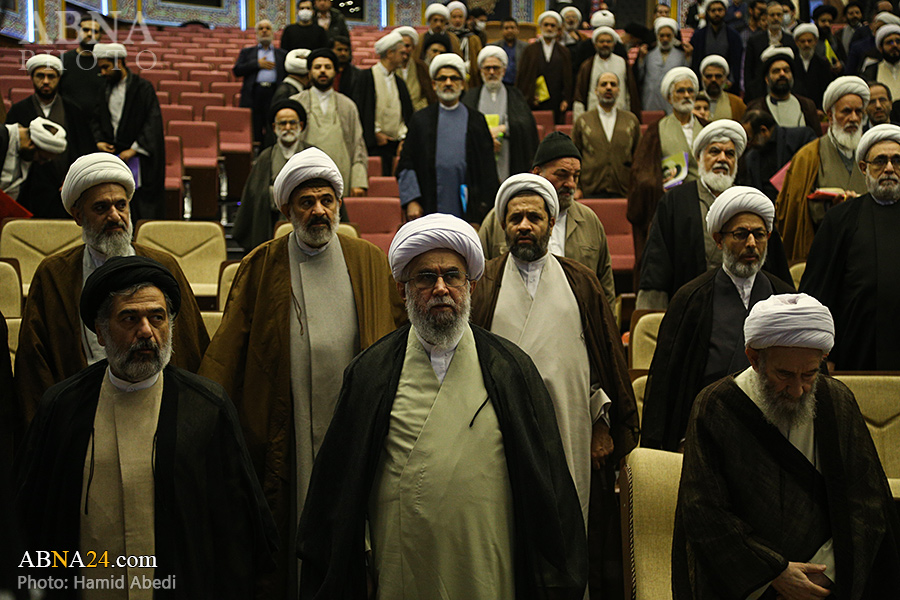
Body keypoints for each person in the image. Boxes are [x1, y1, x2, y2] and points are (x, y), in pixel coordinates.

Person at [296, 213, 588, 599]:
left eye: (452, 276)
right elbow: (338, 491)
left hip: (490, 567)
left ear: (470, 286)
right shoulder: (371, 373)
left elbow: (549, 488)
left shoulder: (511, 370)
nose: (440, 289)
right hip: (400, 570)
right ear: (403, 289)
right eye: (424, 278)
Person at [199, 147, 404, 600]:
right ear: (287, 209)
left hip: (353, 429)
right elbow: (228, 352)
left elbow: (398, 338)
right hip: (286, 427)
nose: (318, 211)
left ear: (339, 203)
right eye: (306, 202)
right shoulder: (260, 264)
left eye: (327, 200)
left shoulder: (368, 260)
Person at [15, 256, 278, 599]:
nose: (146, 332)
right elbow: (32, 519)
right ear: (100, 331)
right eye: (129, 318)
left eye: (157, 318)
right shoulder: (63, 406)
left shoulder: (205, 407)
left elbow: (239, 529)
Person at [470, 174, 639, 598]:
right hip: (501, 431)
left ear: (551, 222)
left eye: (534, 217)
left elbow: (602, 363)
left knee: (570, 521)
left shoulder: (581, 281)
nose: (524, 226)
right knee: (509, 525)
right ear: (504, 226)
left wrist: (601, 425)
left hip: (571, 428)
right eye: (515, 219)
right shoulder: (484, 283)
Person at [672, 293, 900, 599]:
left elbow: (866, 502)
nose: (797, 389)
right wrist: (774, 573)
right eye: (784, 374)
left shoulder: (837, 402)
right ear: (754, 359)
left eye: (810, 374)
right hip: (747, 586)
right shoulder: (715, 407)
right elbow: (704, 511)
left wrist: (824, 575)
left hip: (827, 587)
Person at [14, 153, 209, 437]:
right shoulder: (55, 274)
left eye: (121, 205)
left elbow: (192, 347)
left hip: (159, 412)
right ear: (78, 215)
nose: (115, 216)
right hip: (80, 418)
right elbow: (35, 366)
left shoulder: (162, 265)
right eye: (101, 208)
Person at [641, 186, 795, 452]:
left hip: (775, 436)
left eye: (759, 235)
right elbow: (666, 383)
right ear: (719, 240)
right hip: (707, 435)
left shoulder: (785, 298)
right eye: (740, 234)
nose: (751, 243)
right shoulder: (690, 299)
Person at [637, 119, 790, 309]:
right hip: (691, 310)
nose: (722, 159)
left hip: (748, 310)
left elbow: (775, 268)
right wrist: (651, 314)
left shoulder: (751, 202)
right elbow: (656, 267)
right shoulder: (675, 202)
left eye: (730, 154)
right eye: (714, 152)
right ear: (700, 159)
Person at [801, 124, 900, 370]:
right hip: (855, 350)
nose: (889, 168)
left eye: (897, 161)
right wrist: (824, 356)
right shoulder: (839, 220)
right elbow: (818, 292)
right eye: (880, 161)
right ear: (864, 168)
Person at [479, 131, 617, 307]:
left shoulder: (589, 221)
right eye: (562, 174)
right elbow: (479, 281)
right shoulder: (500, 218)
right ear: (537, 173)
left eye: (575, 176)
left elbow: (605, 289)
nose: (571, 184)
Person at [397, 53, 499, 224]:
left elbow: (488, 169)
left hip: (469, 209)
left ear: (462, 84)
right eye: (442, 79)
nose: (448, 83)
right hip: (427, 205)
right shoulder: (420, 120)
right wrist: (412, 200)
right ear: (434, 84)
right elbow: (406, 163)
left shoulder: (476, 120)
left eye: (454, 78)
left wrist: (483, 210)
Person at [776, 76, 869, 261]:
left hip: (866, 248)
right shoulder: (808, 156)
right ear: (830, 115)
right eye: (846, 111)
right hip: (824, 251)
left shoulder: (872, 155)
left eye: (858, 112)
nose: (853, 118)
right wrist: (831, 207)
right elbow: (794, 212)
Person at [628, 66, 707, 281]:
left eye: (690, 91)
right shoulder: (657, 129)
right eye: (680, 91)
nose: (687, 95)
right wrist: (657, 184)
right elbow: (641, 172)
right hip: (673, 206)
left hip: (706, 206)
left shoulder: (707, 127)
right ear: (670, 98)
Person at [5, 54, 92, 218]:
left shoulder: (73, 110)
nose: (45, 81)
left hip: (65, 190)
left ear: (59, 79)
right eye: (40, 76)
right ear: (32, 78)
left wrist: (74, 179)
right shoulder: (19, 110)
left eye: (51, 76)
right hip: (29, 193)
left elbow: (84, 150)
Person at [90, 43, 165, 221]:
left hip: (139, 158)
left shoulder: (143, 88)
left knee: (141, 210)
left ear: (119, 62)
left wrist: (133, 150)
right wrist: (99, 141)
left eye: (106, 67)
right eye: (101, 69)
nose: (103, 73)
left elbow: (152, 123)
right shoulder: (104, 88)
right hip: (113, 156)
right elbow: (95, 118)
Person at [232, 99, 308, 251]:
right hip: (271, 224)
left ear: (300, 125)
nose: (288, 127)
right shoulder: (265, 157)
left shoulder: (312, 155)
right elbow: (255, 194)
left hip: (306, 223)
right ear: (274, 127)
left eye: (292, 123)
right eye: (283, 123)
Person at [292, 48, 368, 197]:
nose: (322, 71)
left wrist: (358, 181)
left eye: (327, 67)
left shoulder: (347, 105)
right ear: (309, 73)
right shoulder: (296, 103)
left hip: (341, 173)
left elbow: (358, 145)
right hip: (304, 174)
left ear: (335, 72)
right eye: (317, 67)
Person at [461, 46, 539, 181]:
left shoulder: (515, 95)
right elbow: (463, 127)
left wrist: (504, 128)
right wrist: (486, 138)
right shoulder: (471, 96)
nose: (491, 72)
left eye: (496, 68)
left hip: (509, 153)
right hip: (479, 155)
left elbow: (526, 124)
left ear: (503, 70)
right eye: (487, 68)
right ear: (481, 71)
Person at [352, 30, 412, 177]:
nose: (405, 57)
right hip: (374, 146)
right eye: (401, 53)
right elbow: (359, 111)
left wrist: (404, 139)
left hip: (397, 146)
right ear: (390, 53)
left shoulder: (399, 82)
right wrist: (375, 134)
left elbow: (407, 114)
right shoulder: (366, 77)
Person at [572, 72, 641, 198]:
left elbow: (639, 158)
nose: (608, 87)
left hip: (624, 191)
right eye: (604, 84)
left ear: (618, 91)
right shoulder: (583, 121)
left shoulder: (631, 120)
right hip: (589, 191)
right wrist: (577, 187)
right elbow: (574, 158)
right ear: (596, 90)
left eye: (613, 84)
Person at [738, 109, 817, 200]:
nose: (748, 145)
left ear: (763, 131)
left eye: (749, 139)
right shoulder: (751, 157)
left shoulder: (801, 138)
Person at [745, 47, 822, 135]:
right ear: (767, 79)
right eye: (776, 71)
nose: (782, 74)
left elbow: (817, 139)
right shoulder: (755, 108)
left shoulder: (807, 105)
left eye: (786, 70)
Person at [573, 26, 641, 121]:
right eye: (601, 41)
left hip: (620, 115)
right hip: (593, 117)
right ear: (595, 44)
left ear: (614, 44)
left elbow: (630, 93)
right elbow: (579, 95)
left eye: (608, 42)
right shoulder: (587, 65)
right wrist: (579, 120)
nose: (605, 44)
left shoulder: (622, 63)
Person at [235, 20, 288, 144]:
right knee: (255, 127)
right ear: (256, 33)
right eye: (261, 28)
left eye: (268, 28)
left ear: (272, 32)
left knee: (272, 126)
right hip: (254, 94)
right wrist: (257, 64)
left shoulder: (282, 54)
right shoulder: (247, 52)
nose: (264, 31)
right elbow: (237, 71)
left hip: (274, 93)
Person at [516, 11, 573, 124]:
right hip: (534, 101)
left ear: (558, 29)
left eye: (552, 25)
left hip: (557, 101)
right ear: (541, 27)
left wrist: (566, 99)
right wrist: (529, 97)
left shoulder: (564, 51)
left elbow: (568, 78)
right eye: (546, 25)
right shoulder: (529, 50)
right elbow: (523, 76)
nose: (549, 28)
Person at [0, 117, 67, 206]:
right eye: (41, 158)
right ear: (31, 144)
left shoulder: (27, 156)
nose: (41, 163)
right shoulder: (2, 137)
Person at [744, 1, 798, 101]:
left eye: (779, 15)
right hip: (759, 93)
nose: (775, 18)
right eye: (772, 15)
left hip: (785, 91)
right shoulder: (754, 41)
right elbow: (748, 71)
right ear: (766, 17)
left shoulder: (790, 40)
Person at [636, 17, 690, 114]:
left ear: (673, 36)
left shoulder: (681, 56)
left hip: (673, 101)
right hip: (651, 101)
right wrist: (641, 59)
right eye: (662, 36)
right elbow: (640, 76)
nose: (665, 39)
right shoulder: (648, 55)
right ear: (657, 36)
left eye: (668, 36)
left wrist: (689, 57)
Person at [690, 0, 744, 94]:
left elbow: (737, 62)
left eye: (720, 10)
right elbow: (695, 62)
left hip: (727, 86)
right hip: (704, 85)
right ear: (708, 12)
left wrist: (731, 80)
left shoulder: (734, 36)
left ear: (725, 11)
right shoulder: (698, 36)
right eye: (713, 10)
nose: (717, 13)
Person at [59, 14, 105, 114]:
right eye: (85, 30)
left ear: (100, 36)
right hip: (68, 118)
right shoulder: (62, 61)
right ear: (77, 33)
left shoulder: (105, 63)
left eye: (95, 31)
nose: (90, 34)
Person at [792, 23, 835, 110]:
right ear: (797, 43)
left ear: (815, 42)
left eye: (809, 41)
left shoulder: (823, 64)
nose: (806, 44)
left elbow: (826, 90)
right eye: (803, 41)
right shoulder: (791, 63)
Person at [393, 26, 436, 112]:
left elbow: (427, 95)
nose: (404, 49)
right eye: (401, 45)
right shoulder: (391, 68)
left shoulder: (421, 67)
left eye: (407, 46)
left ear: (413, 48)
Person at [447, 0, 484, 87]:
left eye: (460, 17)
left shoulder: (473, 38)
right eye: (454, 17)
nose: (457, 20)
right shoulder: (446, 37)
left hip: (470, 80)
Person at [699, 55, 745, 121]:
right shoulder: (693, 100)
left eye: (718, 76)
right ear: (702, 78)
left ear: (725, 79)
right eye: (709, 76)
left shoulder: (736, 103)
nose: (713, 80)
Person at [862, 23, 900, 100]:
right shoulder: (871, 71)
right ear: (880, 48)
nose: (894, 45)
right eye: (889, 42)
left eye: (898, 41)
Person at [491, 18, 528, 86]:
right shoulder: (494, 47)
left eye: (512, 28)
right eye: (506, 28)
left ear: (518, 30)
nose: (510, 30)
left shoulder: (526, 47)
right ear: (501, 31)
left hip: (519, 84)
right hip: (499, 84)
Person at [812, 4, 846, 73]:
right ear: (816, 21)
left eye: (830, 22)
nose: (827, 24)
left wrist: (840, 65)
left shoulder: (836, 40)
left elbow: (844, 60)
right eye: (823, 21)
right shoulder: (810, 40)